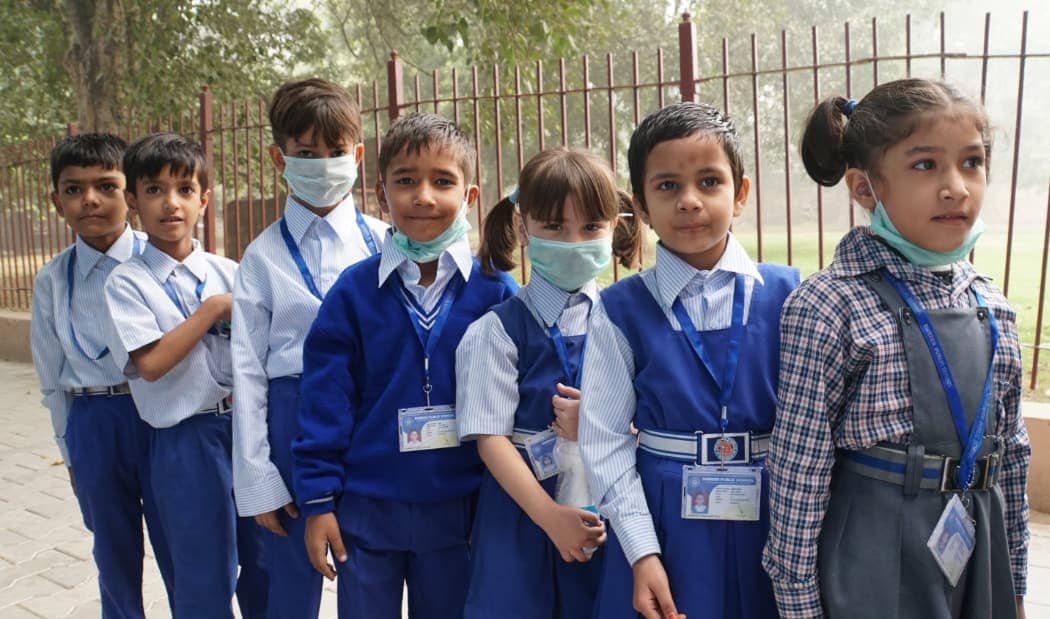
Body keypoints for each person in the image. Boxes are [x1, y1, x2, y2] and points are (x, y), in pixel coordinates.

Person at [762, 78, 1030, 619]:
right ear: (865, 189)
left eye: (972, 162)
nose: (956, 187)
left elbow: (1015, 453)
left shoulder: (995, 308)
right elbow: (799, 467)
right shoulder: (829, 304)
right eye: (926, 165)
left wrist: (1014, 582)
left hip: (979, 551)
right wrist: (798, 605)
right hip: (874, 558)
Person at [578, 101, 800, 619]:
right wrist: (641, 551)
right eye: (667, 186)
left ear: (740, 193)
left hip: (774, 515)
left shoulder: (792, 295)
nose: (690, 202)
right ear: (642, 203)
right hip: (665, 522)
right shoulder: (619, 309)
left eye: (709, 182)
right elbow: (605, 440)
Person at [293, 113, 518, 618]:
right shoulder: (353, 292)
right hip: (367, 509)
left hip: (461, 510)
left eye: (443, 181)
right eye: (405, 180)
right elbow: (324, 401)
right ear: (379, 194)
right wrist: (319, 501)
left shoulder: (497, 292)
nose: (423, 196)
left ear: (471, 195)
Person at [456, 147, 642, 617]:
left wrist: (601, 424)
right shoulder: (494, 331)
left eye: (591, 227)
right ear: (522, 228)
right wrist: (552, 520)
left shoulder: (632, 319)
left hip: (612, 512)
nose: (574, 241)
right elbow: (490, 439)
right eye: (554, 227)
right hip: (522, 517)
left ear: (614, 226)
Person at [231, 78, 387, 619]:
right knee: (291, 586)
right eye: (305, 154)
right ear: (279, 157)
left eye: (336, 153)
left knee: (370, 572)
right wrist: (257, 476)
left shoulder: (389, 243)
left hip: (374, 413)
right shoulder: (261, 257)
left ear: (359, 155)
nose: (322, 165)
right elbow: (247, 371)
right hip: (291, 421)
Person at [103, 133, 267, 618]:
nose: (170, 204)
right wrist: (213, 310)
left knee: (264, 560)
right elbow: (151, 364)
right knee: (203, 572)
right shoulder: (127, 282)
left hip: (246, 430)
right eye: (154, 190)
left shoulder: (233, 270)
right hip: (186, 440)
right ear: (132, 200)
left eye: (184, 190)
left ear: (204, 199)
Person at [30, 133, 174, 618]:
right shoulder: (53, 279)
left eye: (106, 186)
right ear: (55, 201)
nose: (89, 200)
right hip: (92, 421)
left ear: (130, 195)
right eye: (73, 190)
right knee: (112, 553)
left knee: (180, 542)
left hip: (159, 415)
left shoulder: (159, 262)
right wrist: (70, 451)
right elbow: (51, 377)